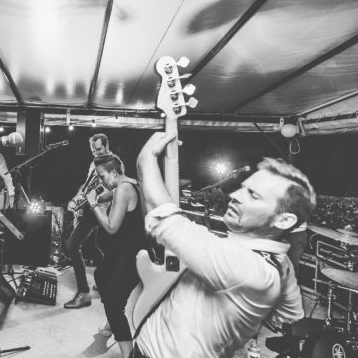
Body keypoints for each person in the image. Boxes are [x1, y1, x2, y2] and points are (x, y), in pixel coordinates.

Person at [133, 131, 313, 358]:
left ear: (284, 220)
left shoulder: (249, 268)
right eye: (243, 187)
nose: (235, 195)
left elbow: (164, 220)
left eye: (253, 196)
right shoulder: (279, 264)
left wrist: (146, 158)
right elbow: (290, 315)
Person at [83, 154, 146, 358]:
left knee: (112, 303)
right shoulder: (130, 184)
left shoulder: (123, 189)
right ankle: (112, 321)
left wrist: (93, 204)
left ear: (114, 172)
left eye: (102, 176)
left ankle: (128, 354)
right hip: (119, 252)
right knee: (101, 275)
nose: (101, 180)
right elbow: (112, 194)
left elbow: (111, 227)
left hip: (131, 255)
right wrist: (102, 197)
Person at [64, 133, 113, 309]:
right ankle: (106, 279)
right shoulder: (94, 162)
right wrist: (76, 200)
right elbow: (86, 185)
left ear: (106, 146)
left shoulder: (114, 163)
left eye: (99, 149)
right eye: (93, 151)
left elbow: (116, 190)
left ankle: (84, 293)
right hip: (90, 208)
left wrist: (95, 200)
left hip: (101, 210)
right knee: (91, 247)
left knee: (72, 246)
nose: (96, 154)